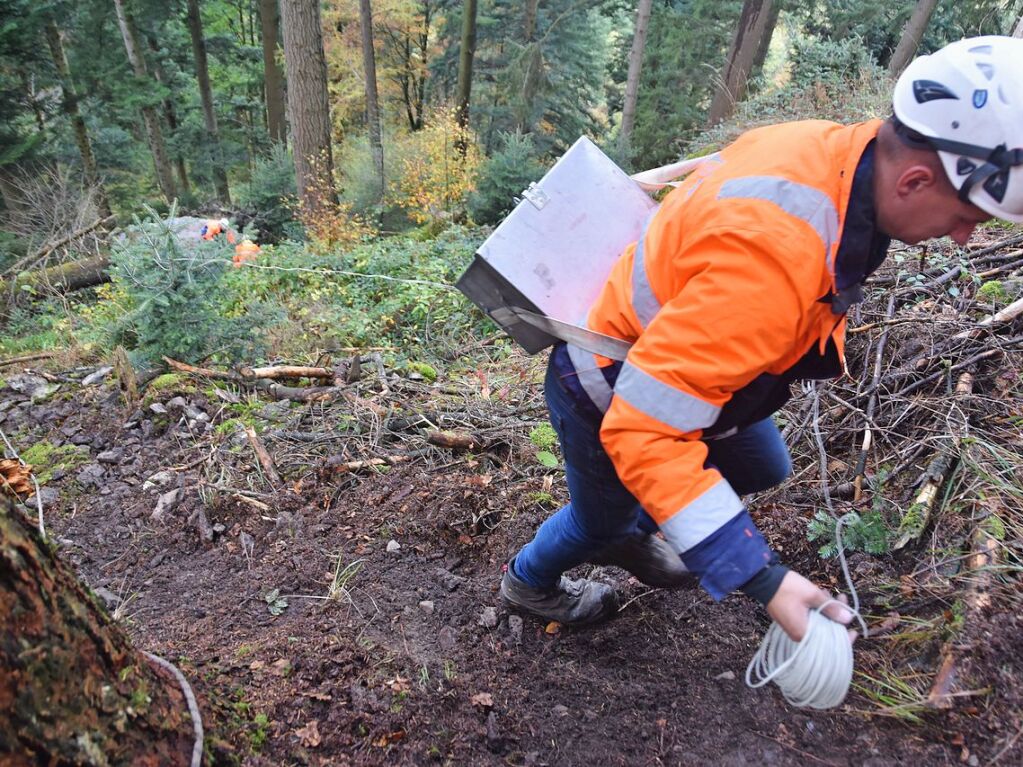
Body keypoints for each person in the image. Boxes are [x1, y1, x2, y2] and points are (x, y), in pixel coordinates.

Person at [500, 36, 1023, 643]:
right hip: (607, 379)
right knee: (600, 522)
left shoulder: (835, 150)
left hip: (691, 363)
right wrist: (761, 576)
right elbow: (644, 428)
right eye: (969, 218)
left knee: (763, 463)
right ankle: (529, 582)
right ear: (912, 180)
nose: (962, 239)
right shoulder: (774, 263)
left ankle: (645, 515)